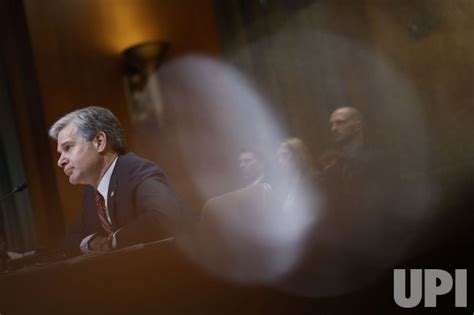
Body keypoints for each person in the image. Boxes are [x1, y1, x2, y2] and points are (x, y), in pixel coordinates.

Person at [48, 106, 181, 256]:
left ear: (99, 142)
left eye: (68, 147)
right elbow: (70, 239)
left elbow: (165, 218)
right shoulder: (91, 193)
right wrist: (92, 243)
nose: (60, 161)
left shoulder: (137, 171)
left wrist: (111, 242)